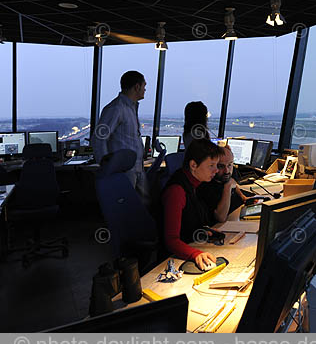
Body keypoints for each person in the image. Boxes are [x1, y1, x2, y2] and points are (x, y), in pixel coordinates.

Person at [162, 139, 223, 269]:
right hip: (169, 258)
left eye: (217, 165)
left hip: (190, 243)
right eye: (211, 165)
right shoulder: (176, 191)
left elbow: (187, 219)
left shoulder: (193, 183)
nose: (216, 170)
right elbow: (171, 241)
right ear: (193, 165)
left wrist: (202, 230)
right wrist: (195, 254)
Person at [92, 70, 147, 194]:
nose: (145, 90)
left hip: (136, 169)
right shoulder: (116, 108)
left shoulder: (131, 108)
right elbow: (98, 139)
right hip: (124, 172)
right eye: (144, 86)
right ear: (137, 87)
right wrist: (108, 168)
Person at [197, 145, 252, 222]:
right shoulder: (206, 185)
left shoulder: (227, 175)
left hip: (237, 214)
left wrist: (243, 197)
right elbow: (221, 217)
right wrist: (227, 187)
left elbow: (233, 183)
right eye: (221, 166)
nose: (227, 171)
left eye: (230, 165)